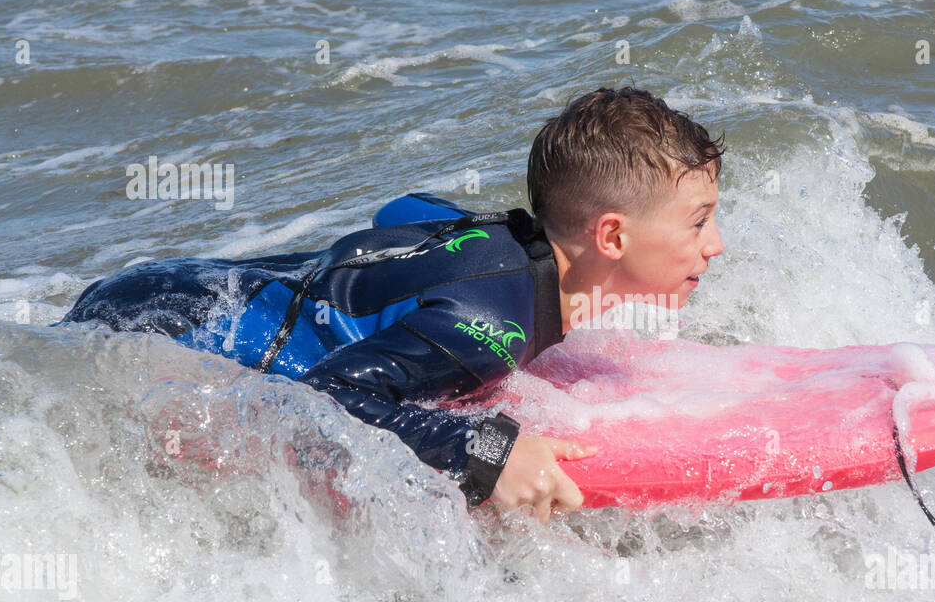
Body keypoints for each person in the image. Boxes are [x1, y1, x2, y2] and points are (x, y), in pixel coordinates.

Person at [59, 87, 726, 520]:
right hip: (164, 333)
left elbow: (402, 209)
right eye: (698, 222)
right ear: (611, 235)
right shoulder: (487, 329)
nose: (715, 246)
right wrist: (487, 451)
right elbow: (325, 396)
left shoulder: (506, 240)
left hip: (174, 282)